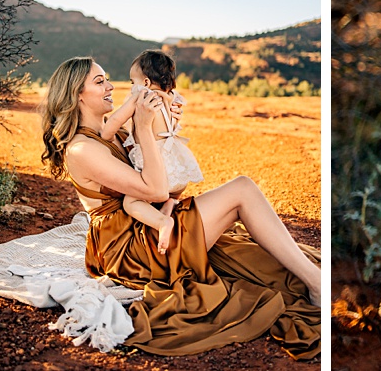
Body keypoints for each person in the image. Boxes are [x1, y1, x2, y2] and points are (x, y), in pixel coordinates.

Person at [39, 57, 321, 359]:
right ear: (76, 94)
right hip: (129, 251)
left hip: (147, 224)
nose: (110, 86)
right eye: (99, 82)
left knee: (241, 198)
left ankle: (311, 277)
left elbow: (172, 188)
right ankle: (317, 283)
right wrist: (146, 130)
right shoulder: (82, 149)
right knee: (242, 190)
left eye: (107, 78)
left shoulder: (114, 132)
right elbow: (156, 189)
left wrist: (164, 129)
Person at [101, 50, 203, 255]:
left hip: (157, 168)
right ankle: (169, 203)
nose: (132, 87)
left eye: (132, 82)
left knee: (131, 201)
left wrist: (105, 134)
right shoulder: (173, 97)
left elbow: (114, 122)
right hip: (176, 166)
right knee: (170, 192)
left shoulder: (141, 96)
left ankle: (162, 221)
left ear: (145, 82)